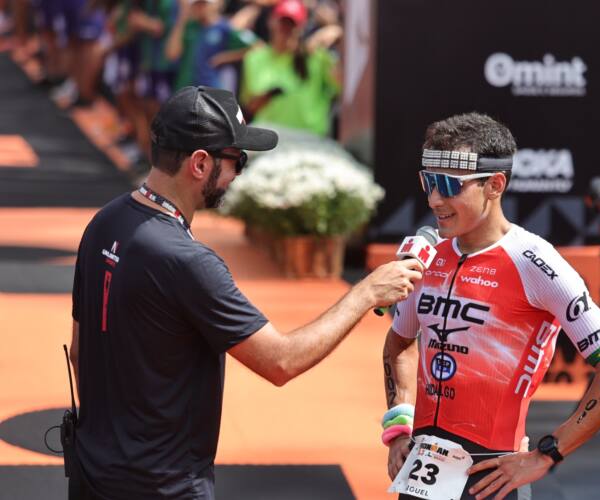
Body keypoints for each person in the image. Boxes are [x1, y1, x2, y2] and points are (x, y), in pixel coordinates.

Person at [69, 85, 423, 499]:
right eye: (237, 160)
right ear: (200, 163)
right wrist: (366, 292)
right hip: (164, 487)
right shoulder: (188, 261)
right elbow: (281, 361)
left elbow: (79, 351)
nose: (239, 173)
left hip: (91, 475)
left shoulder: (104, 223)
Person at [381, 113, 600, 500]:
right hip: (420, 472)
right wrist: (399, 428)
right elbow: (399, 342)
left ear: (495, 185)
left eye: (449, 185)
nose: (434, 199)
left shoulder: (536, 262)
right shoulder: (427, 255)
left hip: (491, 477)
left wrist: (547, 454)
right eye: (428, 182)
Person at [239, 0, 340, 136]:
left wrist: (338, 33)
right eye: (282, 22)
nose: (285, 29)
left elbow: (342, 85)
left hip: (308, 138)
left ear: (301, 28)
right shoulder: (253, 58)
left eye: (291, 24)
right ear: (271, 22)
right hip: (268, 136)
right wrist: (266, 97)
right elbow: (248, 105)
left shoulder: (315, 57)